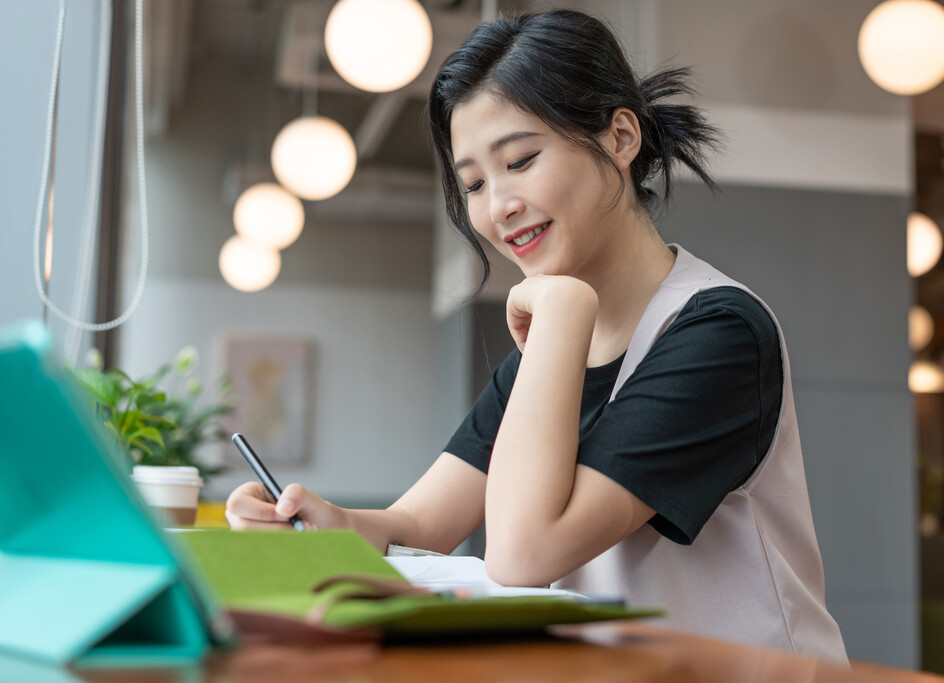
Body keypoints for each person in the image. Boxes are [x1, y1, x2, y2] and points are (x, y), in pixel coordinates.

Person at [226, 9, 848, 664]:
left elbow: (523, 552)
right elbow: (421, 523)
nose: (497, 206)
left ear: (620, 137)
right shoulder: (553, 340)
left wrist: (560, 312)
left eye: (520, 160)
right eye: (473, 182)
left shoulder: (718, 331)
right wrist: (330, 525)